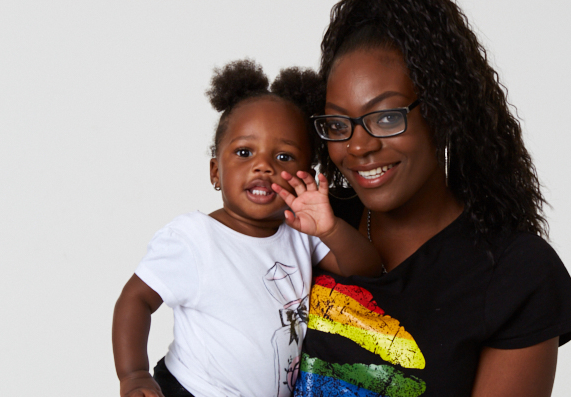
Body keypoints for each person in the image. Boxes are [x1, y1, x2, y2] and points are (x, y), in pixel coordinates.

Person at [294, 0, 571, 397]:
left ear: (442, 112)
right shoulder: (313, 228)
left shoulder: (514, 274)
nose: (358, 146)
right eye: (340, 123)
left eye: (386, 117)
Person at [112, 60, 382, 397]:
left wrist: (329, 230)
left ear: (306, 176)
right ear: (215, 172)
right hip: (192, 390)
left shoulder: (301, 233)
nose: (263, 166)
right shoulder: (194, 238)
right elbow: (135, 299)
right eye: (244, 152)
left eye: (284, 157)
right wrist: (134, 373)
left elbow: (367, 269)